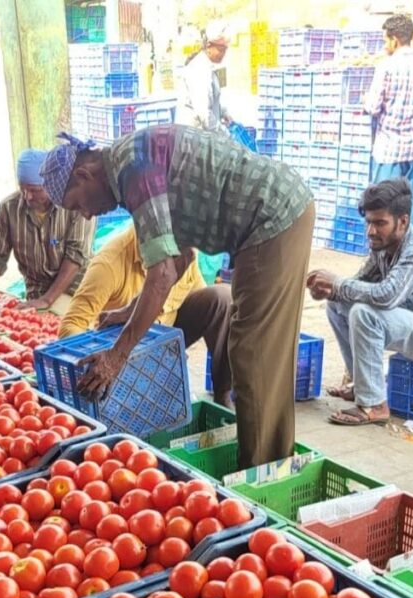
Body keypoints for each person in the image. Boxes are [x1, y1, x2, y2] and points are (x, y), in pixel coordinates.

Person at [39, 125, 314, 469]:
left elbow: (163, 272)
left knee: (256, 354)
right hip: (270, 214)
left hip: (272, 216)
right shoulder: (130, 161)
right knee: (258, 349)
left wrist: (117, 356)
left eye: (78, 204)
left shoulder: (133, 170)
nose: (86, 214)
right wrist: (131, 310)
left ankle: (263, 472)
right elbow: (180, 255)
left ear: (84, 174)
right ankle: (268, 460)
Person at [306, 179, 413, 427]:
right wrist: (328, 290)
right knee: (338, 305)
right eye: (369, 222)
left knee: (364, 313)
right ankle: (361, 385)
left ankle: (374, 404)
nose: (371, 231)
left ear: (402, 221)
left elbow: (387, 295)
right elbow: (358, 285)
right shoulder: (383, 245)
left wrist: (337, 284)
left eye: (380, 223)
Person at [59, 228, 234, 406]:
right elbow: (71, 324)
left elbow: (201, 299)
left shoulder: (182, 252)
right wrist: (96, 362)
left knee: (222, 298)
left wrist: (173, 349)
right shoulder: (109, 264)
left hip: (163, 339)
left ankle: (223, 397)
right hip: (119, 347)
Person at [0, 149, 96, 314]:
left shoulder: (75, 206)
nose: (28, 196)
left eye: (34, 190)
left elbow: (75, 257)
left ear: (50, 184)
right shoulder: (8, 209)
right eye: (23, 189)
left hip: (76, 289)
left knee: (64, 322)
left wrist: (47, 300)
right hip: (37, 293)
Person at [364, 14, 413, 202]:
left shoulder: (386, 66)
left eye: (385, 41)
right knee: (408, 209)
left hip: (388, 151)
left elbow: (373, 107)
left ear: (394, 40)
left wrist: (365, 99)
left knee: (383, 208)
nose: (384, 46)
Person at [177, 23, 231, 133]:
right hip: (193, 137)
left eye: (225, 49)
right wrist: (224, 134)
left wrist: (223, 112)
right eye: (221, 49)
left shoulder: (208, 68)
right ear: (209, 46)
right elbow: (204, 114)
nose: (223, 54)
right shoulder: (199, 69)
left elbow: (212, 101)